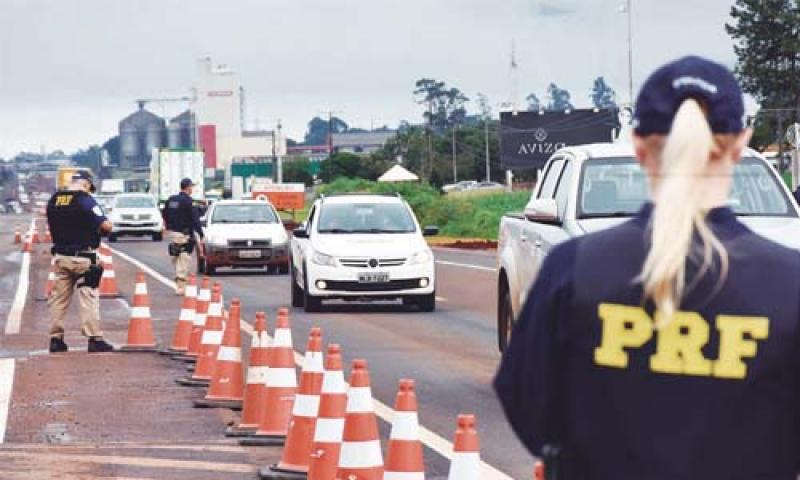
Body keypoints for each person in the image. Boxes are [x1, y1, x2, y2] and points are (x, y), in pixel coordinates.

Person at [495, 56, 800, 480]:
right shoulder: (789, 283)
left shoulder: (575, 268)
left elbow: (526, 400)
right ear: (739, 143)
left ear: (638, 146)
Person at [46, 170, 114, 353]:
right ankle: (94, 338)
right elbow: (106, 225)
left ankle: (56, 338)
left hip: (61, 256)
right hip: (84, 257)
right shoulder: (85, 200)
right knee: (88, 297)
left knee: (59, 300)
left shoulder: (54, 200)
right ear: (86, 184)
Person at [163, 178, 204, 295]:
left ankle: (179, 282)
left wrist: (169, 225)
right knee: (183, 258)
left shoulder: (171, 200)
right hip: (184, 234)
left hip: (173, 233)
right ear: (188, 187)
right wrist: (201, 234)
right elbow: (195, 219)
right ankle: (181, 287)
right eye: (191, 187)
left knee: (176, 257)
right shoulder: (188, 201)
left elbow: (165, 214)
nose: (192, 189)